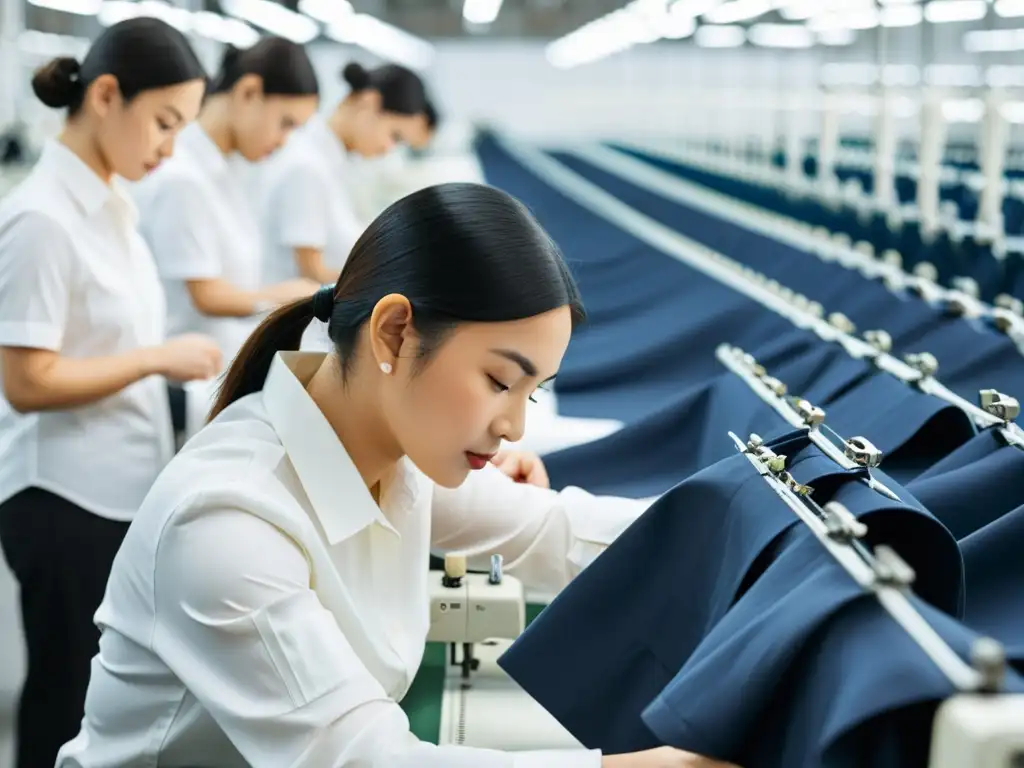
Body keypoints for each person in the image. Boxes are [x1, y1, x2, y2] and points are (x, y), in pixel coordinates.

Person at [56, 182, 739, 768]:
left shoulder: (389, 457)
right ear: (392, 334)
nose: (514, 428)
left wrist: (755, 528)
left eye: (529, 394)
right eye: (500, 381)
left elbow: (554, 531)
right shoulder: (226, 522)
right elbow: (366, 760)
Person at [0, 19, 223, 768]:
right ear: (105, 95)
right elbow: (26, 380)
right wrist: (154, 359)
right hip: (63, 499)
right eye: (164, 122)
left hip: (111, 494)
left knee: (91, 702)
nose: (170, 147)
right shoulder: (42, 219)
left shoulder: (111, 208)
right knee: (64, 703)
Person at [132, 36, 321, 363]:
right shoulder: (183, 177)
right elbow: (206, 295)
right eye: (285, 123)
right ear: (249, 93)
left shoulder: (228, 171)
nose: (283, 141)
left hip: (218, 361)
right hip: (185, 375)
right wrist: (284, 298)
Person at [258, 62, 434, 287]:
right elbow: (311, 273)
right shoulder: (308, 166)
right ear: (368, 102)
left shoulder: (335, 163)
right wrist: (389, 281)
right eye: (394, 135)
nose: (389, 148)